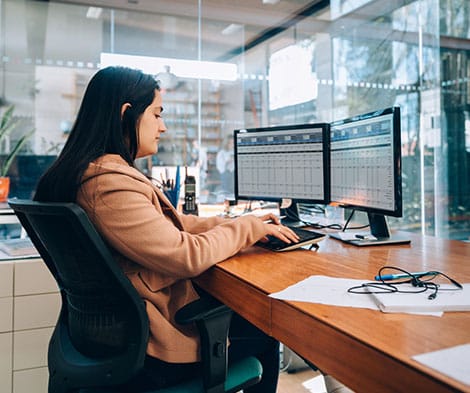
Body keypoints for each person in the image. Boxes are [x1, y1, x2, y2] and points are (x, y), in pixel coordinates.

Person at [34, 66, 299, 392]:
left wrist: (239, 224)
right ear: (126, 114)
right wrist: (246, 228)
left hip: (116, 337)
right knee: (267, 332)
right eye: (157, 114)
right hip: (151, 349)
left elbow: (174, 226)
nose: (163, 127)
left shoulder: (91, 174)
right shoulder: (107, 185)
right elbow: (186, 255)